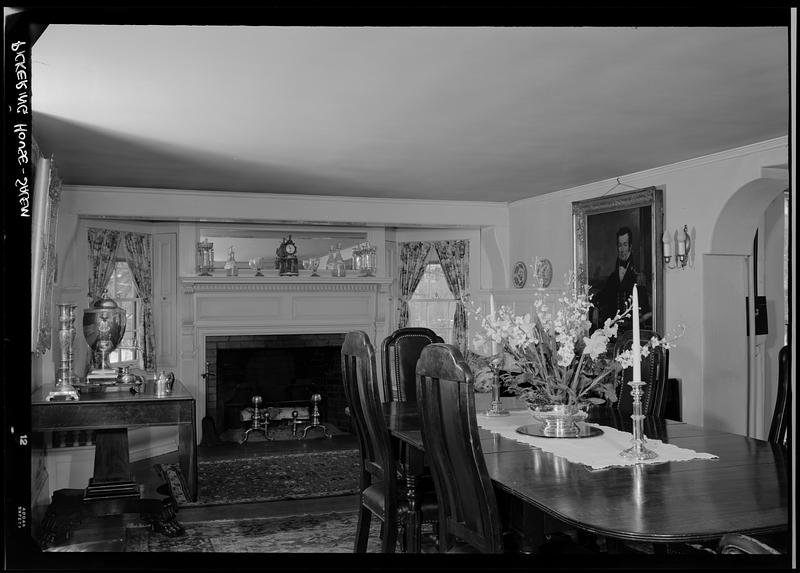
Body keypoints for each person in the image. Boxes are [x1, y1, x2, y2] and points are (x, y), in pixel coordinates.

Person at [592, 226, 651, 333]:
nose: (622, 249)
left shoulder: (638, 276)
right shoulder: (612, 277)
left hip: (631, 331)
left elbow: (645, 310)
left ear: (630, 247)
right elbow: (603, 296)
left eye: (625, 245)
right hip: (613, 331)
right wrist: (595, 308)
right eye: (619, 245)